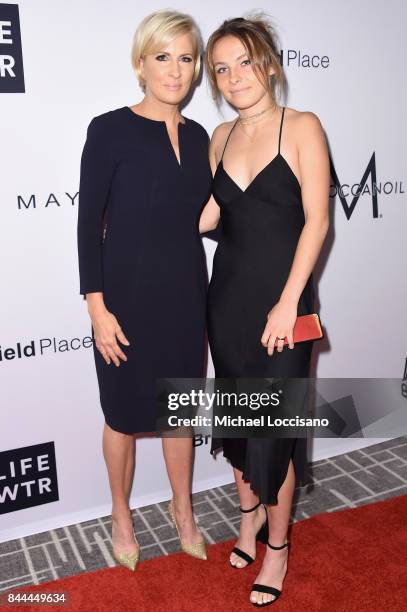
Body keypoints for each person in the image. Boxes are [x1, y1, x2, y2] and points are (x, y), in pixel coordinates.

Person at [199, 14, 330, 606]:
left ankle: (277, 548)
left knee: (273, 434)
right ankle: (247, 518)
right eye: (221, 69)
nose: (233, 78)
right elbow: (207, 217)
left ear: (268, 63)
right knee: (237, 423)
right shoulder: (218, 138)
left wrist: (287, 302)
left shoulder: (301, 126)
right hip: (226, 302)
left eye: (243, 63)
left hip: (285, 307)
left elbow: (318, 222)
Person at [77, 10, 212, 570]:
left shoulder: (202, 135)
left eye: (185, 57)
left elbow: (200, 218)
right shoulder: (108, 129)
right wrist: (97, 307)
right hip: (124, 298)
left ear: (196, 67)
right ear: (141, 64)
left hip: (185, 294)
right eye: (162, 57)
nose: (174, 70)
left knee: (177, 410)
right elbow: (88, 223)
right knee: (124, 414)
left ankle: (183, 511)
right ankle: (121, 513)